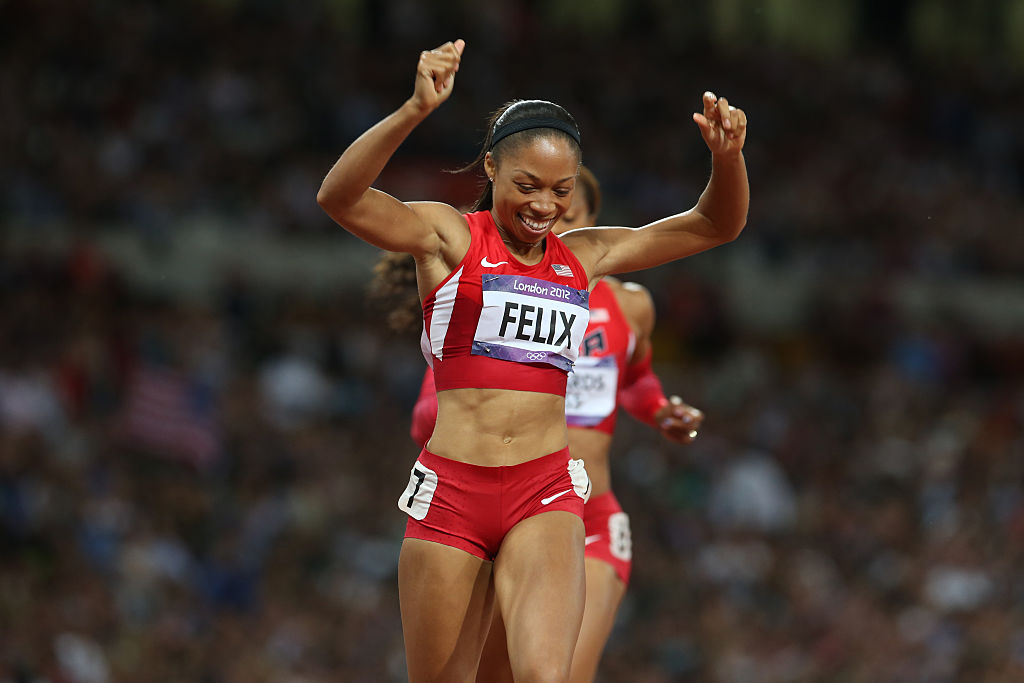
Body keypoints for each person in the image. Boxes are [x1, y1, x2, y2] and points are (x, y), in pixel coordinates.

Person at [317, 38, 748, 683]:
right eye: (527, 185)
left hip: (544, 488)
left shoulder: (585, 258)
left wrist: (728, 158)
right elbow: (340, 198)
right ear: (489, 167)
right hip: (452, 491)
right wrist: (413, 111)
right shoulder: (449, 236)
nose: (545, 206)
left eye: (561, 190)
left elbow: (713, 225)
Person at [402, 165, 706, 683]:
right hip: (492, 503)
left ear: (592, 224)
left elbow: (634, 378)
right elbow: (433, 408)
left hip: (585, 516)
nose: (552, 224)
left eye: (569, 213)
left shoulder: (630, 307)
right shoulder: (489, 300)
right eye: (534, 202)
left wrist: (660, 410)